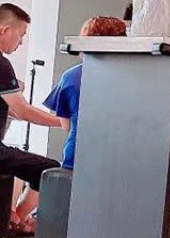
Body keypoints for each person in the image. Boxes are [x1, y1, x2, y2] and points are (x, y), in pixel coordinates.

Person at [0, 3, 61, 236]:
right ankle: (17, 219)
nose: (21, 42)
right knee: (50, 169)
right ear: (5, 30)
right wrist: (62, 122)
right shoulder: (2, 64)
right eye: (21, 34)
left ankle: (13, 217)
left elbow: (14, 110)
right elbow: (22, 110)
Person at [44, 16, 127, 171]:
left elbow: (66, 125)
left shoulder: (71, 77)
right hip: (119, 160)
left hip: (77, 157)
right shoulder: (131, 78)